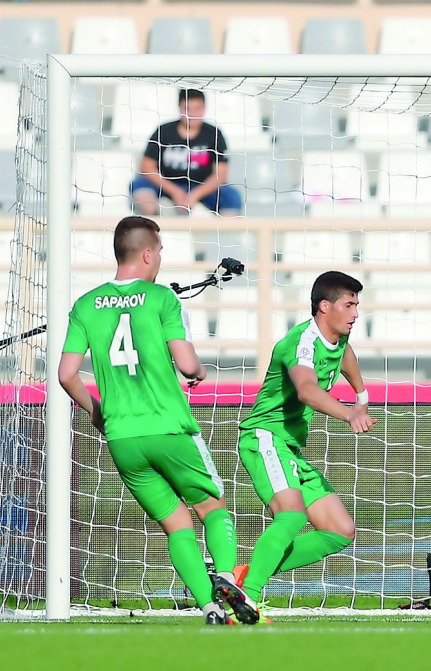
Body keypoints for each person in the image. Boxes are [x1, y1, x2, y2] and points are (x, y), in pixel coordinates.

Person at [57, 216, 257, 625]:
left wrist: (98, 414)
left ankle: (210, 608)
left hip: (123, 439)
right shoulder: (162, 298)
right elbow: (186, 364)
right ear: (148, 253)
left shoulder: (84, 305)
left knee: (176, 523)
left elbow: (65, 375)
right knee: (213, 508)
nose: (161, 259)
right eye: (161, 251)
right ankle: (224, 577)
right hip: (169, 428)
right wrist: (198, 371)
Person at [233, 271, 374, 618]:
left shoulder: (338, 337)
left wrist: (362, 395)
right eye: (349, 304)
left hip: (289, 447)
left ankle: (243, 577)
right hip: (265, 437)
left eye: (357, 304)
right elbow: (307, 390)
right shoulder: (302, 343)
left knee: (340, 530)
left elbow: (346, 356)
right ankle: (244, 598)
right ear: (325, 306)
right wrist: (350, 414)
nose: (356, 313)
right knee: (292, 515)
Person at [130, 89, 242, 217]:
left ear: (204, 108)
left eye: (197, 108)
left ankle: (225, 232)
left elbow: (220, 176)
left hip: (201, 187)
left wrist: (194, 195)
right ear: (180, 108)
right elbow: (147, 168)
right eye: (188, 108)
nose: (192, 114)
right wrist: (175, 191)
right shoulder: (164, 131)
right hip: (166, 185)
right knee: (140, 186)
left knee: (232, 196)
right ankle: (155, 222)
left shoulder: (214, 134)